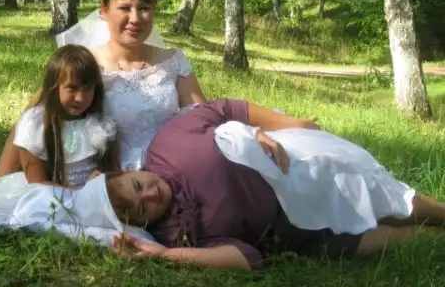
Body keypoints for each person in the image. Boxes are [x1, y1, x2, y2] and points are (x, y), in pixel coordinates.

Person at [103, 99, 445, 271]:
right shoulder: (176, 234)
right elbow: (246, 257)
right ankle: (434, 235)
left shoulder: (166, 146)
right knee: (370, 238)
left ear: (133, 170)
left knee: (392, 200)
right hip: (296, 231)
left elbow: (226, 108)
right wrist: (167, 255)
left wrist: (283, 124)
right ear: (143, 223)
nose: (152, 193)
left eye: (139, 184)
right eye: (143, 207)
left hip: (302, 169)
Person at [0, 0, 207, 178]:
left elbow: (203, 120)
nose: (135, 18)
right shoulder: (84, 65)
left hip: (168, 174)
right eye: (124, 8)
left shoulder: (173, 61)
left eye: (144, 8)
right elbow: (32, 119)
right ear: (104, 11)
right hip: (106, 179)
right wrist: (1, 182)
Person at [9, 44, 118, 189]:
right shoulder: (35, 125)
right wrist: (81, 193)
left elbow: (111, 172)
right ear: (54, 87)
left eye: (87, 88)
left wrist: (100, 182)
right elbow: (37, 183)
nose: (80, 98)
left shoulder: (100, 124)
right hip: (50, 197)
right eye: (72, 88)